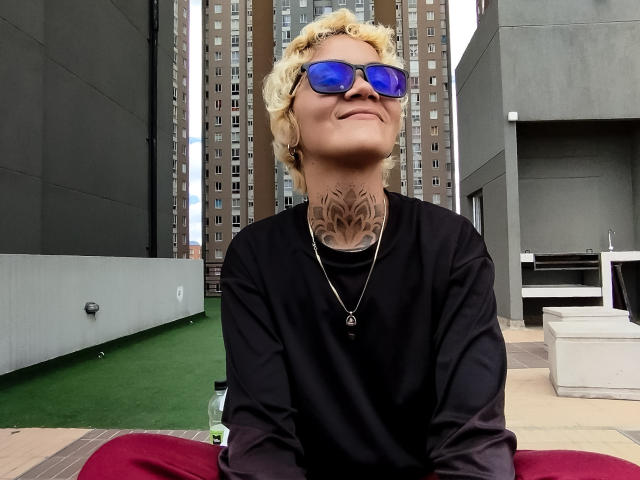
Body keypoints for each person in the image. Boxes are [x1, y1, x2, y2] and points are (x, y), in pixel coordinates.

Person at [78, 9, 640, 480]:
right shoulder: (256, 256)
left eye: (385, 80)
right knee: (121, 462)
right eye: (330, 76)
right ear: (289, 119)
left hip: (430, 473)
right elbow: (262, 439)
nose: (365, 87)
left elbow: (471, 438)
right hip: (298, 474)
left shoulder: (452, 245)